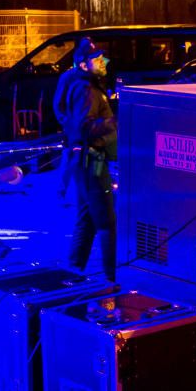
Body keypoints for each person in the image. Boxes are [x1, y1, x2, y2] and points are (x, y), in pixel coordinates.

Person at [55, 37, 117, 282]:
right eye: (97, 59)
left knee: (87, 218)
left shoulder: (90, 86)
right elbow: (85, 127)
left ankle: (73, 272)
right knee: (106, 222)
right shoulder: (85, 89)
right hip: (92, 162)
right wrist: (114, 122)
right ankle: (111, 279)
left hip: (87, 162)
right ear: (83, 64)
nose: (104, 62)